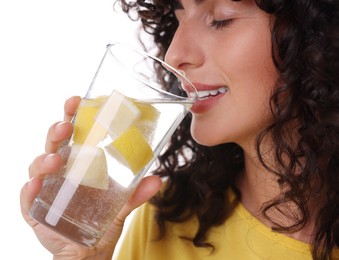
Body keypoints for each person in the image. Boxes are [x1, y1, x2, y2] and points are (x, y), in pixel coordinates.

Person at [20, 0, 339, 259]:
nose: (174, 55)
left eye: (220, 19)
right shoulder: (165, 219)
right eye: (178, 18)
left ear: (315, 37)